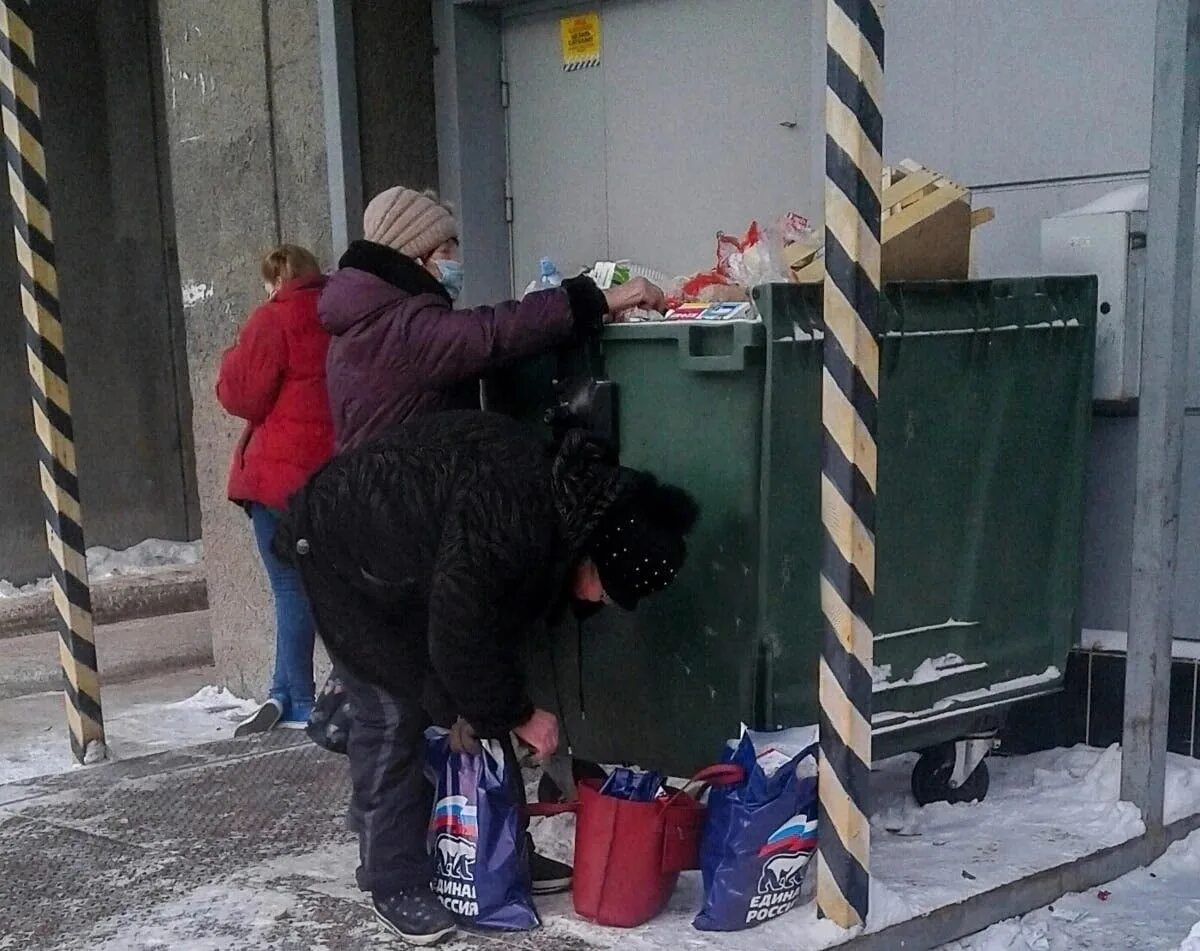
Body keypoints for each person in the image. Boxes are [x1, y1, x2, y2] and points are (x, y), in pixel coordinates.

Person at [276, 410, 698, 946]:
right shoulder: (519, 519)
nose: (600, 605)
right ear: (596, 559)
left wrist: (478, 707)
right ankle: (392, 880)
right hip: (339, 553)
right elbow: (460, 629)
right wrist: (516, 715)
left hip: (407, 568)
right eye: (609, 594)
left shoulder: (560, 503)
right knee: (391, 711)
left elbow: (475, 630)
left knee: (459, 699)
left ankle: (491, 849)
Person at [318, 185, 665, 450]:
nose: (456, 261)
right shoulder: (402, 328)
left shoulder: (367, 317)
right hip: (403, 515)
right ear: (415, 258)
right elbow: (493, 333)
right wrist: (601, 298)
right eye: (446, 250)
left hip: (390, 500)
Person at [216, 244, 334, 736]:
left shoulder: (272, 319)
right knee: (311, 585)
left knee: (289, 585)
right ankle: (281, 691)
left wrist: (231, 356)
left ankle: (297, 697)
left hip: (276, 477)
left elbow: (239, 395)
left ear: (276, 282)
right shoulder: (333, 313)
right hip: (326, 475)